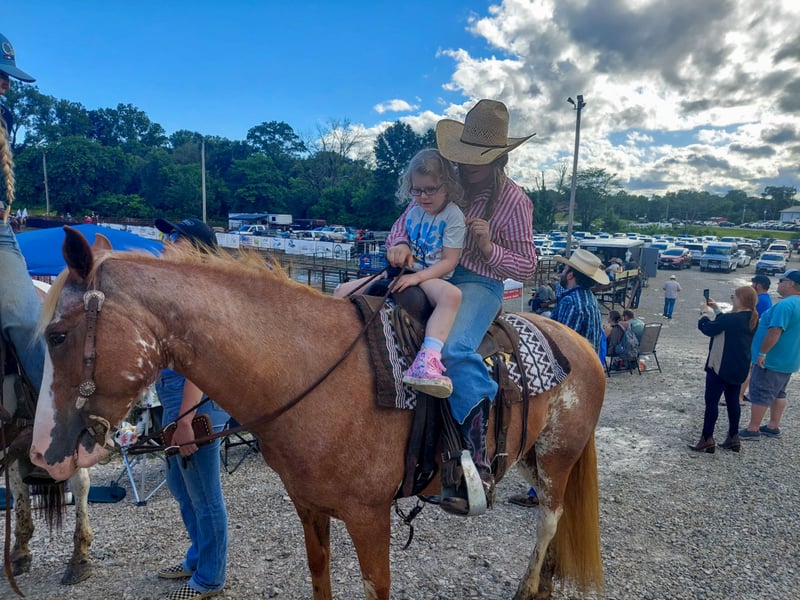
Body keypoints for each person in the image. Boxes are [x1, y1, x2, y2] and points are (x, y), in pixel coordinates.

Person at [385, 99, 536, 515]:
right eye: (465, 154)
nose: (468, 164)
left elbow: (527, 266)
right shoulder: (442, 181)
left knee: (452, 349)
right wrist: (399, 243)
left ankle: (475, 459)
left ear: (498, 157)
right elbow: (402, 224)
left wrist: (489, 246)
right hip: (430, 272)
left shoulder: (515, 201)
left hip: (478, 282)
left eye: (477, 158)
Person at [335, 149, 466, 398]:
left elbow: (449, 261)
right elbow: (398, 237)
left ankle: (428, 358)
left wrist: (417, 277)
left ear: (447, 185)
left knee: (452, 296)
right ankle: (330, 342)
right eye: (417, 190)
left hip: (430, 275)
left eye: (431, 189)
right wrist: (399, 249)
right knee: (343, 289)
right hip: (403, 270)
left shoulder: (453, 216)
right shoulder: (413, 210)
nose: (423, 196)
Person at [154, 217, 229, 600]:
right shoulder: (180, 289)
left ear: (198, 250)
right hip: (176, 396)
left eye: (175, 237)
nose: (165, 240)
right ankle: (199, 557)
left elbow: (201, 364)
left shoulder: (199, 294)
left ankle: (210, 578)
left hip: (194, 401)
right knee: (181, 487)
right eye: (166, 234)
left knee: (204, 494)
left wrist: (185, 418)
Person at [509, 249, 607, 508]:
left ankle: (538, 491)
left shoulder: (571, 302)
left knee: (544, 433)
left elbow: (555, 344)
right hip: (586, 376)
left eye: (565, 269)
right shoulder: (587, 299)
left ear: (571, 274)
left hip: (569, 378)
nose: (562, 273)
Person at [0, 31, 45, 392]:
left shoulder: (4, 116)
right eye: (0, 75)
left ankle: (53, 414)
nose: (6, 84)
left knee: (27, 322)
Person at [689, 286, 758, 453]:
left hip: (720, 365)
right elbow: (726, 324)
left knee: (711, 403)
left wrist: (704, 313)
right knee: (733, 401)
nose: (732, 298)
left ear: (741, 299)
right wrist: (716, 309)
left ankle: (707, 438)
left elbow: (709, 328)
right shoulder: (752, 317)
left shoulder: (731, 319)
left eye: (734, 296)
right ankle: (733, 437)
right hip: (739, 365)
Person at [739, 269, 800, 441]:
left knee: (761, 392)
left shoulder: (785, 305)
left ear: (791, 283)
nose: (778, 284)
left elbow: (775, 330)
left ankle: (753, 429)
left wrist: (762, 353)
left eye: (781, 281)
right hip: (789, 359)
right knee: (779, 393)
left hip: (771, 360)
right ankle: (773, 426)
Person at [736, 275, 773, 405]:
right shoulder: (766, 299)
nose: (752, 286)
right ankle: (748, 394)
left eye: (753, 284)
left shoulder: (760, 300)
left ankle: (738, 396)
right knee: (752, 369)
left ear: (759, 285)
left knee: (746, 367)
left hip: (754, 338)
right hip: (758, 338)